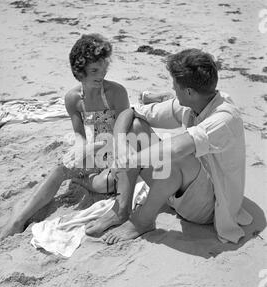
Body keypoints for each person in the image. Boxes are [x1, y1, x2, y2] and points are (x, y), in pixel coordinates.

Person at [97, 48, 253, 245]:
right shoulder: (196, 101)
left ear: (189, 91)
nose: (172, 89)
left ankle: (142, 221)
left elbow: (177, 148)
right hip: (183, 186)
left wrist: (129, 160)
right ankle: (122, 209)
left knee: (179, 155)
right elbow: (131, 112)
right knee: (135, 127)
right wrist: (120, 146)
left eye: (175, 86)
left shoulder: (224, 118)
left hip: (210, 207)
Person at [0, 33, 131, 241]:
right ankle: (19, 219)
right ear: (79, 71)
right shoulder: (73, 99)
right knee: (61, 168)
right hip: (95, 150)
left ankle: (83, 181)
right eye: (94, 70)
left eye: (104, 69)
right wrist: (79, 151)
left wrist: (91, 151)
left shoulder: (116, 92)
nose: (101, 75)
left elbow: (122, 133)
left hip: (118, 149)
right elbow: (79, 134)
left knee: (105, 185)